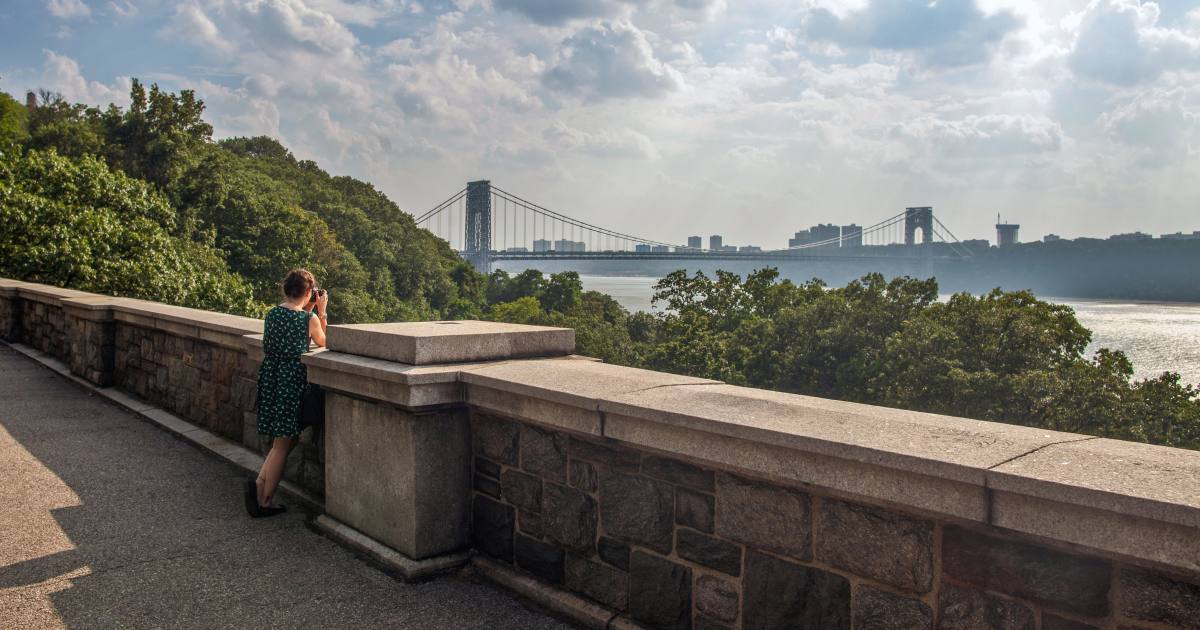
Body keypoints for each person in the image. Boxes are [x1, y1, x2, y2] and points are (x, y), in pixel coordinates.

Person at [244, 268, 328, 517]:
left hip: (271, 378)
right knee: (282, 445)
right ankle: (264, 500)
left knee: (280, 441)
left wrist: (310, 308)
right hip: (291, 383)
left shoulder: (272, 314)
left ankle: (259, 486)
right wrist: (321, 311)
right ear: (309, 292)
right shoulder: (307, 319)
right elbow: (324, 341)